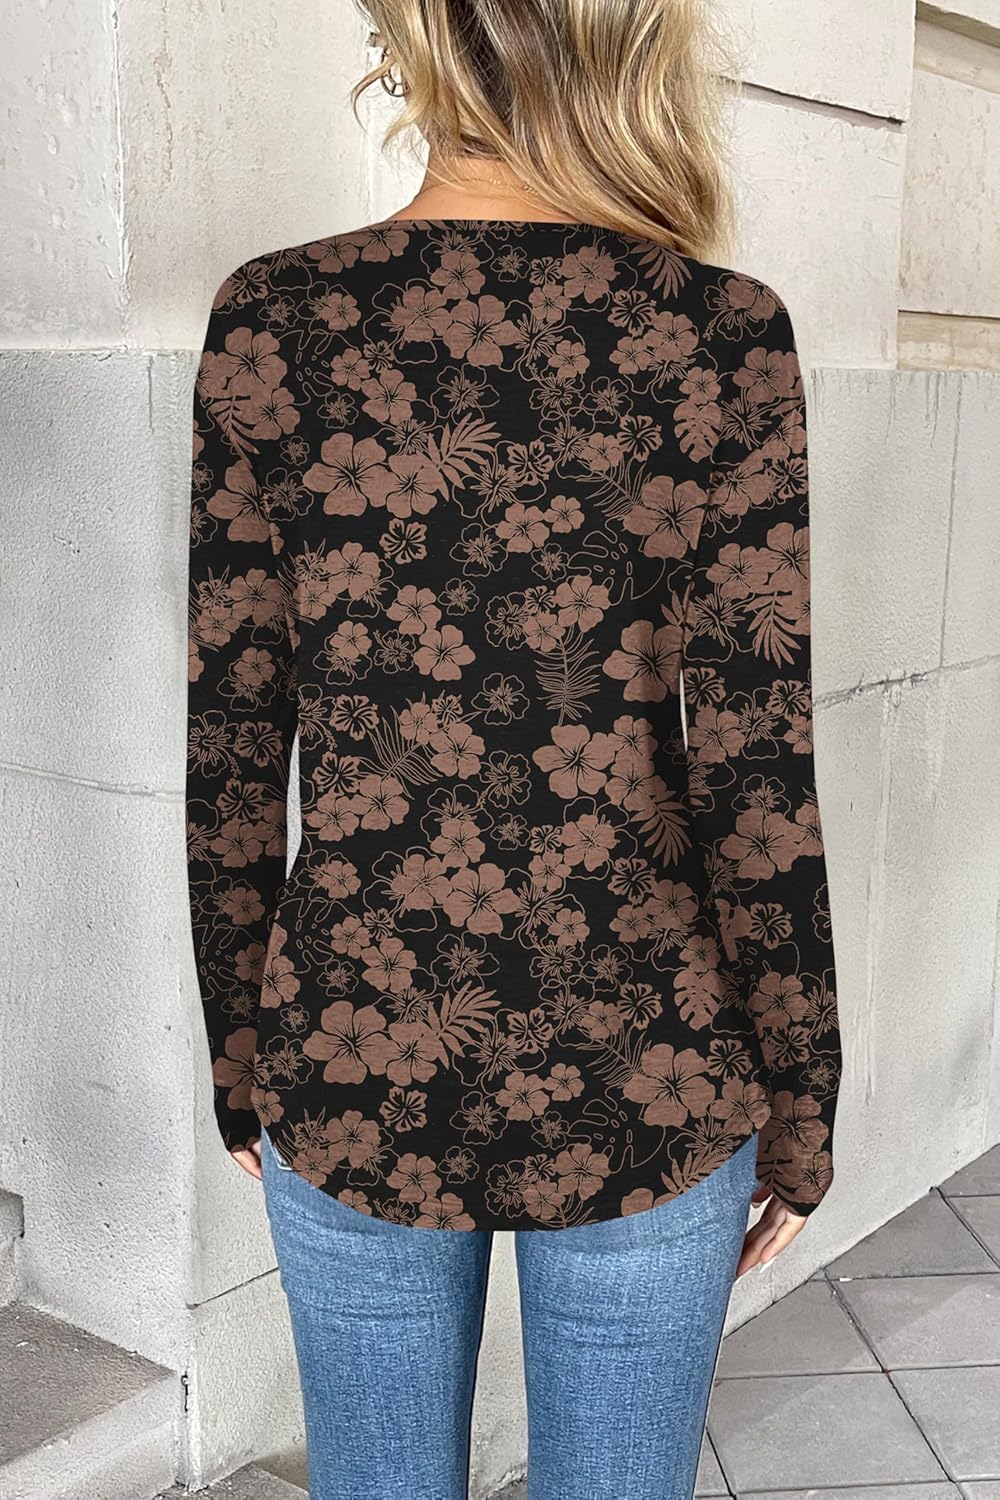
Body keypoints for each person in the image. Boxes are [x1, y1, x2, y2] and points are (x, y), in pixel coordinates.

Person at [184, 2, 843, 1495]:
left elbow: (233, 736)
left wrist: (243, 1053)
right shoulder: (719, 333)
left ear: (409, 36)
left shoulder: (275, 318)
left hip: (351, 1039)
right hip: (650, 1055)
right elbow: (757, 766)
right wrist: (804, 1101)